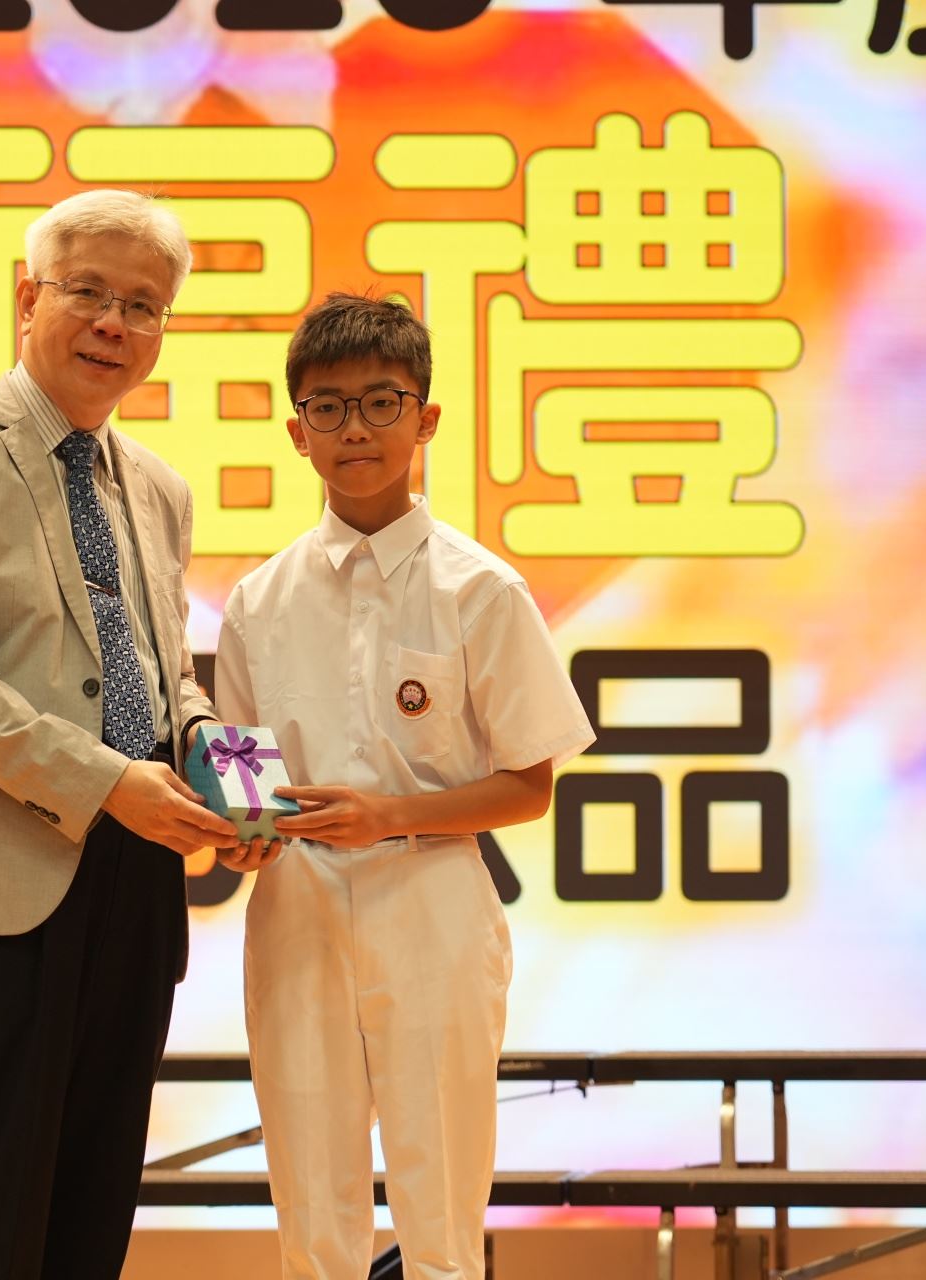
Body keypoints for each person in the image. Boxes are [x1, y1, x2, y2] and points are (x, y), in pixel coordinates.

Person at [0, 189, 237, 1279]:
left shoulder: (160, 488)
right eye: (90, 292)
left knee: (90, 1217)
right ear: (28, 298)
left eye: (144, 305)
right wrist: (109, 779)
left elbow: (165, 675)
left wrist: (224, 772)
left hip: (136, 881)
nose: (115, 323)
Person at [212, 293, 596, 1279]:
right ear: (297, 431)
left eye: (381, 402)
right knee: (312, 1212)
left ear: (425, 419)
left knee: (441, 1209)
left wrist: (390, 815)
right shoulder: (256, 602)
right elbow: (243, 773)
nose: (356, 429)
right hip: (295, 907)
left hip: (432, 899)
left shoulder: (480, 588)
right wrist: (239, 833)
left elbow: (529, 784)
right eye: (329, 407)